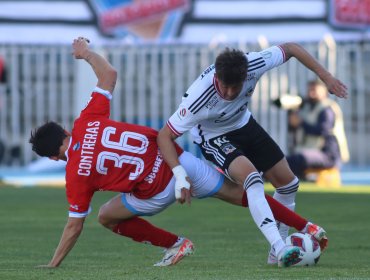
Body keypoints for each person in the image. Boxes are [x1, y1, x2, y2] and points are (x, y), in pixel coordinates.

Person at [30, 37, 326, 269]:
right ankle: (309, 227)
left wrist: (54, 263)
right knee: (245, 193)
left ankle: (176, 243)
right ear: (66, 131)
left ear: (53, 157)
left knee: (106, 217)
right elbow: (109, 73)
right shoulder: (87, 120)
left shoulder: (75, 173)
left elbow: (74, 225)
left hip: (157, 190)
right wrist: (85, 54)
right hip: (177, 159)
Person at [157, 43, 347, 264]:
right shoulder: (198, 98)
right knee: (252, 179)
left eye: (234, 87)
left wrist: (326, 76)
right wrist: (179, 175)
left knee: (289, 184)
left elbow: (292, 48)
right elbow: (164, 136)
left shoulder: (254, 63)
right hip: (214, 137)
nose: (228, 93)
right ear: (216, 76)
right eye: (224, 86)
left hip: (244, 124)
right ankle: (279, 246)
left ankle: (276, 255)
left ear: (245, 76)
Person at [284, 79, 350, 179]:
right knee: (287, 160)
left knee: (298, 159)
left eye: (314, 90)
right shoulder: (307, 107)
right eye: (309, 90)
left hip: (328, 154)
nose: (311, 93)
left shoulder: (327, 108)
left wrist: (301, 123)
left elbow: (322, 130)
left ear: (324, 91)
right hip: (311, 150)